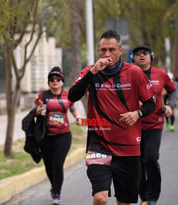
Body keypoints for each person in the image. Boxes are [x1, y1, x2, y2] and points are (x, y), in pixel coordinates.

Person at [68, 30, 156, 205]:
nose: (107, 54)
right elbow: (72, 96)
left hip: (129, 146)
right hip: (98, 143)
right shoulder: (90, 72)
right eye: (102, 50)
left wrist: (137, 114)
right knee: (100, 198)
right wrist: (92, 71)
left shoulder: (134, 73)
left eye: (111, 49)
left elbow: (150, 104)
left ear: (121, 50)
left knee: (124, 201)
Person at [132, 45, 177, 205]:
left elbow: (173, 90)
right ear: (133, 57)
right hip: (133, 126)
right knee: (137, 163)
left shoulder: (161, 74)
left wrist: (170, 106)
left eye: (145, 53)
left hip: (154, 125)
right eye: (138, 54)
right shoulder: (128, 74)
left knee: (150, 158)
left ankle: (152, 197)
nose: (142, 56)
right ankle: (143, 197)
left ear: (151, 56)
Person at [34, 66, 82, 205]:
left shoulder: (68, 95)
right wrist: (38, 112)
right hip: (46, 136)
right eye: (52, 79)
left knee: (57, 164)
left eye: (58, 79)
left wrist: (78, 117)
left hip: (63, 136)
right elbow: (36, 111)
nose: (55, 81)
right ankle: (54, 187)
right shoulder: (43, 96)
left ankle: (57, 192)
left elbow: (73, 108)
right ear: (49, 82)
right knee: (48, 165)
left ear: (62, 81)